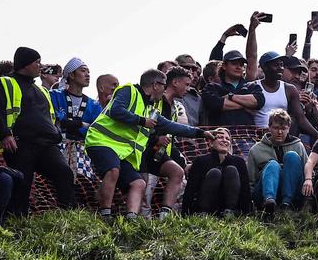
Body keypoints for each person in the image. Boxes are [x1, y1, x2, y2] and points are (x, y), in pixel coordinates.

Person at [84, 69, 213, 220]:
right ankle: (105, 215)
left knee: (138, 183)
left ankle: (131, 219)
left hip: (122, 152)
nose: (165, 90)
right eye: (164, 86)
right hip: (100, 141)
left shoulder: (150, 109)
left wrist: (201, 133)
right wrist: (142, 121)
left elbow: (172, 126)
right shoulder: (129, 90)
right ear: (155, 85)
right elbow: (116, 111)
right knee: (113, 170)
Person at [0, 46, 77, 213]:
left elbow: (50, 116)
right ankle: (18, 223)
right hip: (20, 144)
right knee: (22, 186)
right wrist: (4, 134)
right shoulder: (4, 82)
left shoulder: (41, 90)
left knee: (64, 173)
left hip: (47, 144)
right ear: (25, 64)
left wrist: (54, 134)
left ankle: (70, 215)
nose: (40, 66)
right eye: (37, 62)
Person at [245, 108, 308, 215]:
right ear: (269, 127)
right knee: (273, 164)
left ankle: (287, 203)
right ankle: (269, 202)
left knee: (292, 156)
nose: (280, 132)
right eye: (276, 128)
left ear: (289, 128)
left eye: (283, 128)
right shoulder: (256, 150)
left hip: (293, 191)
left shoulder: (298, 145)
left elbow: (307, 172)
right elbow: (251, 180)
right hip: (265, 190)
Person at [253, 51, 318, 139]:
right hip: (258, 138)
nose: (280, 68)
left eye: (281, 65)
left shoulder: (290, 90)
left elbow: (301, 119)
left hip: (282, 138)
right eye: (276, 65)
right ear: (265, 67)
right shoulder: (253, 86)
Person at [184, 129, 248, 216]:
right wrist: (186, 213)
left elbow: (245, 190)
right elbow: (190, 190)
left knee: (231, 170)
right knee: (215, 173)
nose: (224, 140)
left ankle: (229, 211)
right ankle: (203, 212)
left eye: (227, 139)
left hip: (230, 209)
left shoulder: (239, 162)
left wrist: (246, 213)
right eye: (220, 137)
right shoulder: (200, 161)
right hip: (204, 208)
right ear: (211, 143)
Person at [201, 51, 263, 127]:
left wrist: (230, 96)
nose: (239, 67)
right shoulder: (212, 88)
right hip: (222, 137)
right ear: (224, 66)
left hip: (248, 135)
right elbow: (216, 104)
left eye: (241, 64)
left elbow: (259, 101)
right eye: (234, 63)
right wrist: (246, 105)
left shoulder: (252, 86)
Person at [50, 57, 102, 143]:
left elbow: (95, 129)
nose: (87, 74)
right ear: (72, 75)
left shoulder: (94, 105)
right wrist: (81, 124)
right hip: (56, 146)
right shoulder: (55, 95)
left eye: (88, 72)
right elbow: (55, 120)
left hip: (83, 150)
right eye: (83, 71)